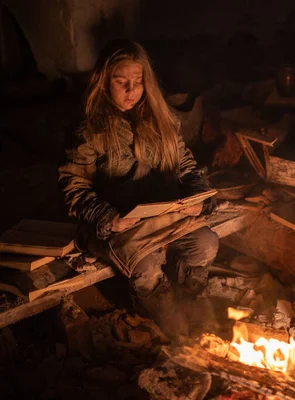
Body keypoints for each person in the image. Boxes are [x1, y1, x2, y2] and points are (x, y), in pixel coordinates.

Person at [58, 39, 219, 339]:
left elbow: (187, 167)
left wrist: (198, 199)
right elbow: (74, 186)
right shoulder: (89, 129)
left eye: (138, 82)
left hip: (160, 214)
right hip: (115, 225)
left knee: (205, 242)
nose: (131, 92)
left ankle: (193, 303)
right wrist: (109, 218)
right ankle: (165, 320)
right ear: (104, 82)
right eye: (121, 83)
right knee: (146, 268)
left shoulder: (160, 120)